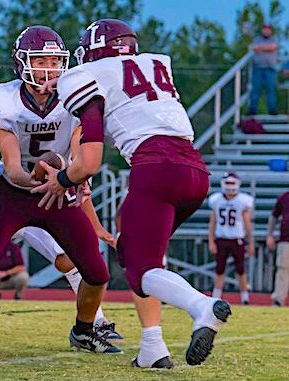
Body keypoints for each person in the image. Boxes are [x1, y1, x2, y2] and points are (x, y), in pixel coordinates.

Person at [34, 19, 231, 368]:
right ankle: (153, 349)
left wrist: (63, 179)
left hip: (155, 169)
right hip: (195, 171)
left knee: (141, 269)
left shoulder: (87, 76)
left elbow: (90, 161)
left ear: (93, 51)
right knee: (134, 252)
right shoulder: (152, 65)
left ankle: (201, 306)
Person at [0, 26, 121, 356]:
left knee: (97, 271)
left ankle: (85, 330)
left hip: (58, 192)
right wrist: (40, 175)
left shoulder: (76, 97)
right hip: (14, 192)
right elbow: (12, 165)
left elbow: (79, 152)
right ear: (22, 63)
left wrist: (66, 174)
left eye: (55, 61)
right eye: (41, 60)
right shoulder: (1, 100)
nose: (49, 69)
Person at [0, 116, 122, 340]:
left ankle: (95, 321)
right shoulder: (4, 112)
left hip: (47, 201)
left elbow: (79, 179)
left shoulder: (67, 117)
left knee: (69, 260)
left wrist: (95, 225)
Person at [208, 172, 254, 305]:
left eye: (232, 183)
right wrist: (211, 241)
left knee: (241, 269)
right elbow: (212, 222)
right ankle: (216, 297)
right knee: (219, 269)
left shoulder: (242, 200)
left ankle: (245, 298)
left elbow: (247, 224)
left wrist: (250, 242)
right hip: (221, 238)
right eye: (227, 183)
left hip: (237, 239)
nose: (229, 186)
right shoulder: (216, 200)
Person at [248, 24, 278, 115]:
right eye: (264, 29)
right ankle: (252, 110)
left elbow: (273, 47)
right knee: (255, 90)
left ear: (271, 31)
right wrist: (266, 48)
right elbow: (252, 48)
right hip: (258, 68)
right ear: (262, 30)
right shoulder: (257, 39)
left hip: (270, 69)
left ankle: (272, 110)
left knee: (271, 90)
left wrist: (260, 48)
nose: (266, 31)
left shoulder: (274, 38)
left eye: (268, 29)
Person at [267, 191, 289, 306]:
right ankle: (278, 300)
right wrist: (270, 234)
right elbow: (274, 216)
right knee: (283, 269)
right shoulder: (285, 197)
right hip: (286, 239)